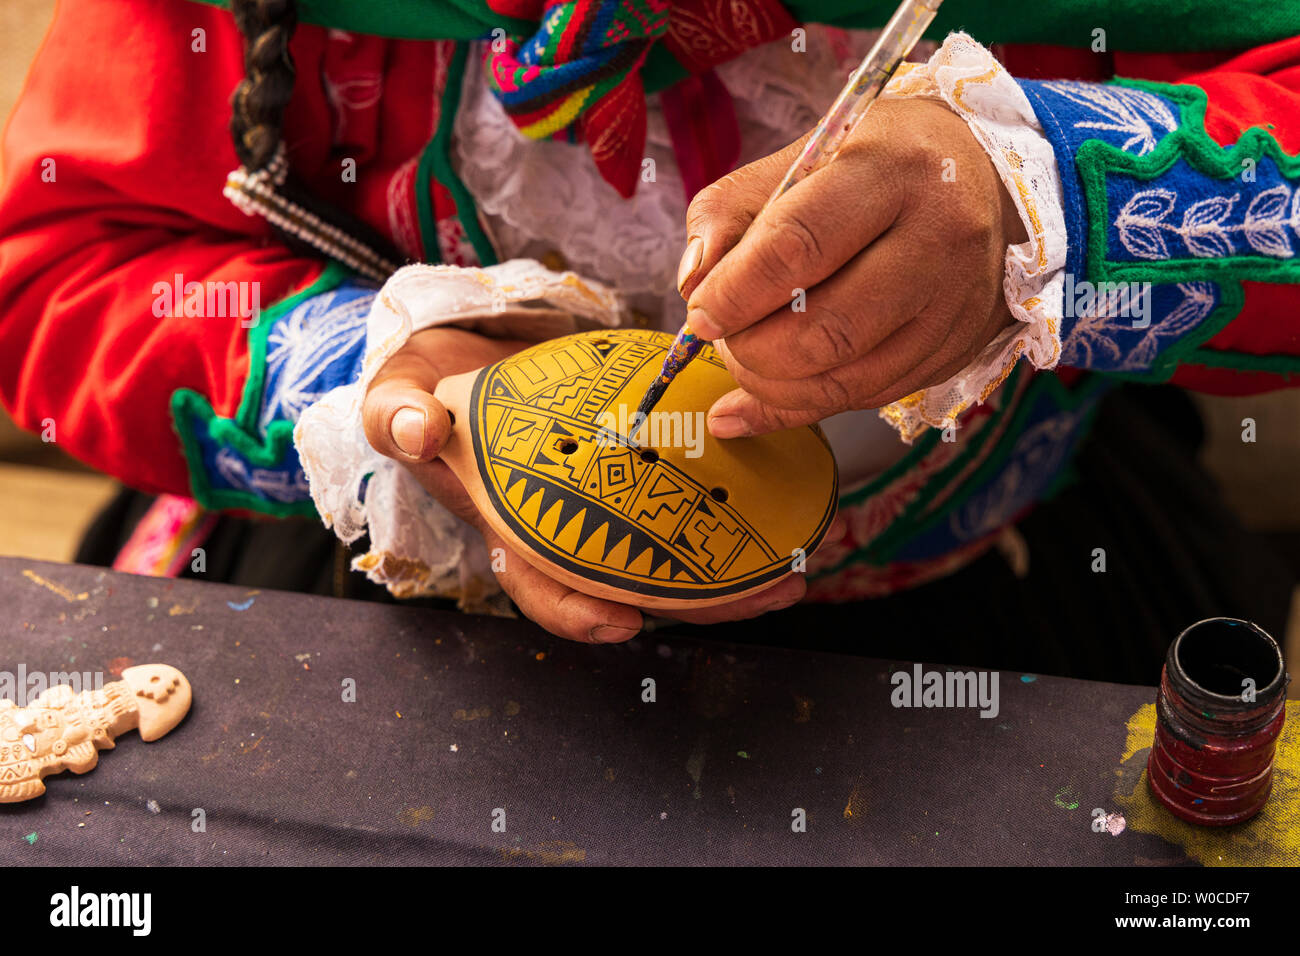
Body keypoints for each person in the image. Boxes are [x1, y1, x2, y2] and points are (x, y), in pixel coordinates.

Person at [1, 0, 1297, 683]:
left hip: (985, 601)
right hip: (392, 611)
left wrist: (1057, 199)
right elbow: (53, 270)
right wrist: (364, 376)